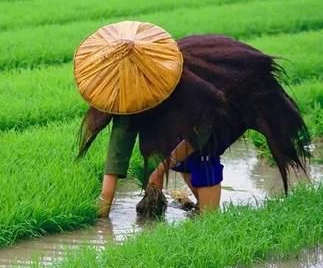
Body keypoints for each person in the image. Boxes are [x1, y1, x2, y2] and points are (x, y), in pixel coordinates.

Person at [73, 21, 309, 218]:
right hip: (195, 116)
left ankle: (211, 220)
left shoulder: (183, 83)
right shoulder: (124, 93)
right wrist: (103, 208)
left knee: (203, 157)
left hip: (230, 99)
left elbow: (200, 134)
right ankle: (200, 209)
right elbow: (119, 147)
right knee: (179, 157)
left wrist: (158, 172)